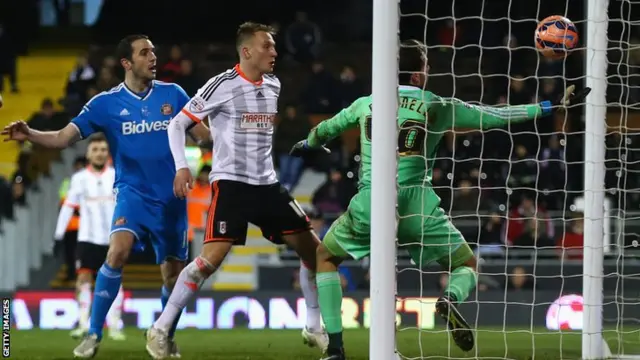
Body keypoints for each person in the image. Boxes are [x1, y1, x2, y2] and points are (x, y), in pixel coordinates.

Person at [289, 39, 591, 360]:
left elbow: (325, 130)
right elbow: (493, 116)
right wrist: (548, 106)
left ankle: (335, 348)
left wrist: (306, 143)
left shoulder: (366, 104)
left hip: (371, 202)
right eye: (427, 66)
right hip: (418, 206)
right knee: (467, 264)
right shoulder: (437, 105)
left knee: (324, 258)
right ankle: (449, 298)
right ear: (418, 75)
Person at [1, 34, 211, 359]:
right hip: (132, 195)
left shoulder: (174, 94)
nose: (153, 57)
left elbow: (203, 138)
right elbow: (61, 138)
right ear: (127, 63)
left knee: (173, 274)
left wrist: (228, 124)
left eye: (154, 51)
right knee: (116, 253)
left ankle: (164, 333)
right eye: (145, 53)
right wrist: (29, 133)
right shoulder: (105, 104)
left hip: (171, 200)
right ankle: (93, 334)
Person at [145, 22, 327, 359]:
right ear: (246, 51)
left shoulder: (274, 84)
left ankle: (314, 325)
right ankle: (160, 328)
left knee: (315, 253)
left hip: (268, 184)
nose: (274, 52)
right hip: (232, 184)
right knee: (209, 260)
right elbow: (178, 124)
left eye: (273, 46)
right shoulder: (222, 85)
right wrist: (182, 166)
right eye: (267, 46)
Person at [53, 135, 125, 341]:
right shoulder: (79, 178)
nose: (99, 153)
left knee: (115, 281)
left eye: (103, 149)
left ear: (107, 153)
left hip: (113, 239)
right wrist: (58, 236)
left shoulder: (117, 175)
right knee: (83, 279)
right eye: (95, 150)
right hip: (86, 238)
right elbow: (68, 208)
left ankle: (115, 325)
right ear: (88, 153)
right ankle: (83, 323)